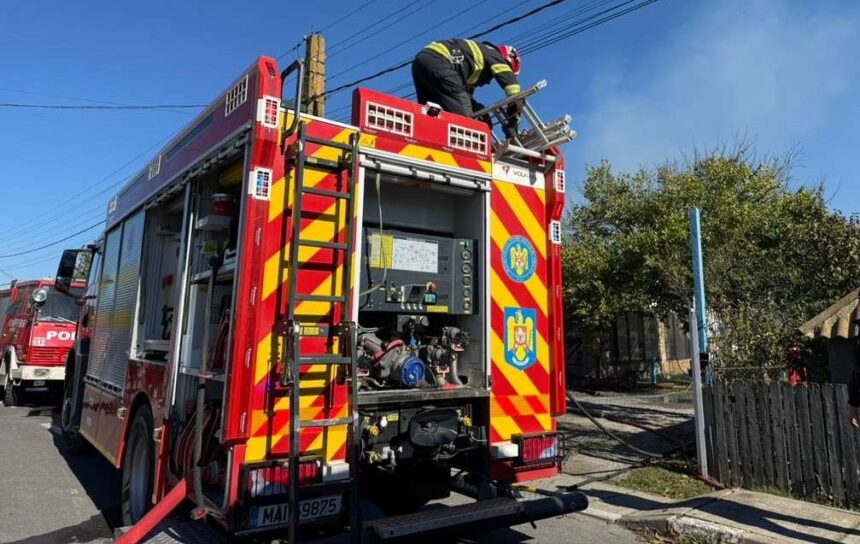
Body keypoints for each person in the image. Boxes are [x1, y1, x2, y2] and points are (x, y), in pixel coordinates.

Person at [412, 38, 522, 130]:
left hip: (421, 62)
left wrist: (478, 110)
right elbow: (514, 92)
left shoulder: (472, 62)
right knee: (466, 121)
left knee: (430, 115)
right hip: (440, 61)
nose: (489, 81)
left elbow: (461, 96)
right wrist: (513, 122)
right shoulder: (495, 56)